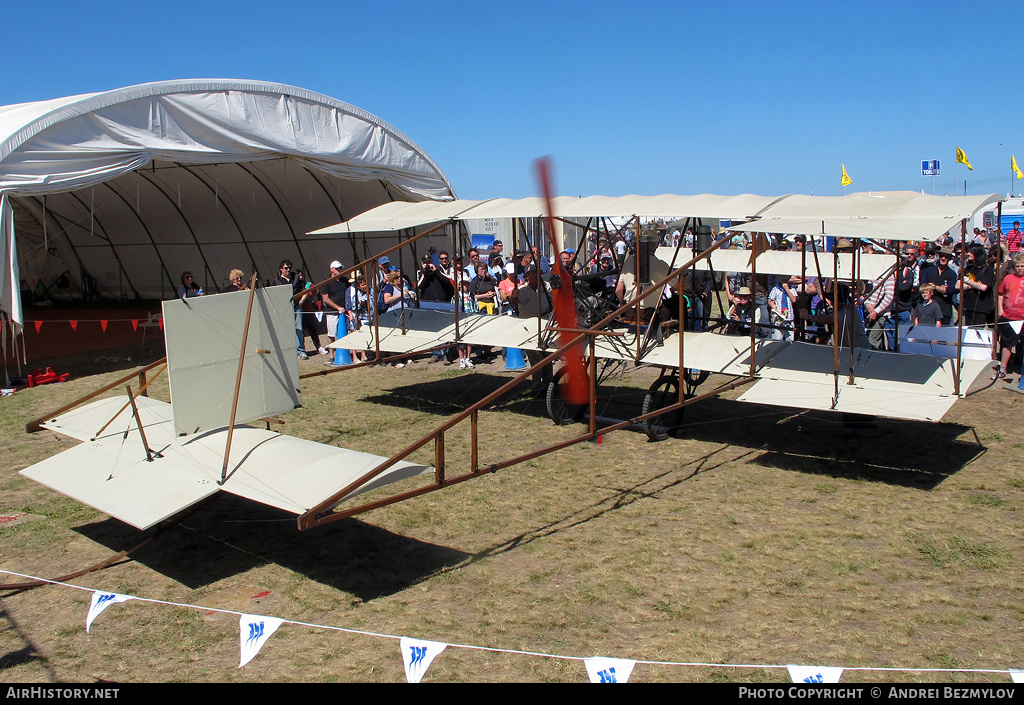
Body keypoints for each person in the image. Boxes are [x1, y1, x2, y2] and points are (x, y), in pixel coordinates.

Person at [509, 265, 553, 391]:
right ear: (527, 276)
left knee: (547, 357)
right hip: (529, 327)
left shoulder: (546, 287)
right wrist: (513, 296)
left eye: (537, 272)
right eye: (532, 273)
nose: (535, 275)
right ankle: (536, 386)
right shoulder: (522, 290)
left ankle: (549, 384)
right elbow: (513, 303)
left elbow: (553, 301)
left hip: (544, 323)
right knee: (535, 359)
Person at [993, 253, 1024, 380]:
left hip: (1022, 318)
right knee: (1006, 343)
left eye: (1022, 266)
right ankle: (1003, 368)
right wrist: (1000, 309)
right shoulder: (1008, 278)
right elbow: (1000, 293)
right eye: (1017, 266)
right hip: (1009, 316)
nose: (1020, 268)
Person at [272, 259, 307, 360]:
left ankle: (301, 350)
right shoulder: (277, 281)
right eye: (285, 268)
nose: (288, 270)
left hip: (296, 307)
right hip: (283, 308)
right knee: (285, 330)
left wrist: (301, 301)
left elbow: (304, 291)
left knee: (299, 329)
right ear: (281, 269)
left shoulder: (296, 279)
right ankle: (287, 351)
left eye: (289, 268)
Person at [956, 244, 995, 327]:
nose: (968, 254)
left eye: (971, 252)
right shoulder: (967, 269)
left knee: (977, 333)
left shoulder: (987, 270)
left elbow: (984, 287)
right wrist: (974, 285)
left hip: (981, 308)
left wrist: (967, 281)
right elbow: (957, 285)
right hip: (967, 306)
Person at [321, 260, 349, 348]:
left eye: (340, 268)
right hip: (331, 312)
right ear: (332, 269)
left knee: (344, 332)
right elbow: (325, 298)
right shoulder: (327, 281)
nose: (339, 270)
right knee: (331, 334)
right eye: (337, 269)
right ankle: (331, 355)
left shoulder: (344, 280)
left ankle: (345, 352)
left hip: (344, 311)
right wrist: (337, 307)